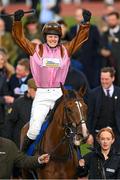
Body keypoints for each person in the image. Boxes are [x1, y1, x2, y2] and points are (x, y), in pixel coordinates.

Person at [12, 8, 91, 152]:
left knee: (70, 127)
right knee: (34, 128)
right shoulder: (35, 49)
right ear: (45, 37)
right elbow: (19, 39)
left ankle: (78, 161)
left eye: (55, 37)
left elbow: (79, 40)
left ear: (59, 38)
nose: (53, 39)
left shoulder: (66, 49)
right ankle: (22, 158)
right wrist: (17, 22)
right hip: (41, 94)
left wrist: (85, 24)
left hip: (58, 94)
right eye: (50, 36)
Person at [87, 67, 120, 152]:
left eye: (106, 79)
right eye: (102, 79)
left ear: (113, 78)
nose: (104, 81)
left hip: (116, 135)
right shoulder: (93, 93)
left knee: (115, 161)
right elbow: (89, 115)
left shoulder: (119, 92)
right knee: (95, 159)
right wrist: (89, 134)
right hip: (98, 135)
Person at [4, 78, 37, 148]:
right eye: (35, 90)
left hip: (36, 143)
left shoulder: (44, 104)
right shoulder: (19, 102)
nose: (37, 93)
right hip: (19, 142)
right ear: (29, 89)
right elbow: (9, 122)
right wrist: (9, 143)